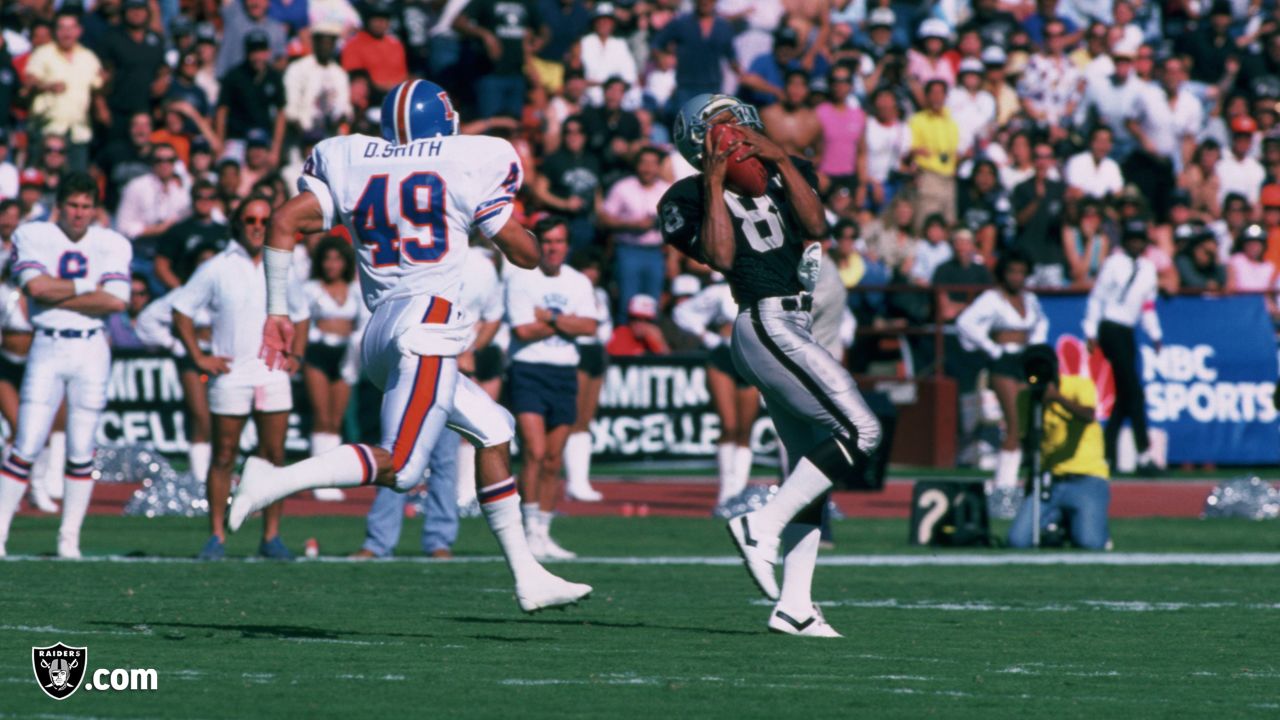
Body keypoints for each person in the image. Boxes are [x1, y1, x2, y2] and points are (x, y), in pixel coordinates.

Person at [225, 80, 592, 613]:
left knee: (495, 430)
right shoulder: (467, 162)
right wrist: (530, 234)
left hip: (380, 330)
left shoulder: (352, 158)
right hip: (428, 322)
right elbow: (525, 255)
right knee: (403, 467)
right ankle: (274, 479)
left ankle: (528, 575)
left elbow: (282, 222)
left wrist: (277, 313)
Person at [660, 94, 882, 637]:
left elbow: (818, 226)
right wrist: (714, 180)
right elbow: (720, 256)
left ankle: (796, 605)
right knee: (863, 429)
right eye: (718, 130)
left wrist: (780, 158)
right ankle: (763, 522)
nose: (731, 135)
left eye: (735, 125)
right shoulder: (684, 197)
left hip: (795, 324)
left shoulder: (787, 169)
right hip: (762, 323)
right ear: (698, 146)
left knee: (813, 467)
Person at [0, 173, 132, 558]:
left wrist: (57, 292)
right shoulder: (33, 234)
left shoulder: (112, 242)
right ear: (60, 205)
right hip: (47, 344)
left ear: (95, 208)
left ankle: (68, 539)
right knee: (25, 443)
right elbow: (34, 289)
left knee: (81, 447)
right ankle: (1, 532)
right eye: (73, 205)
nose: (79, 213)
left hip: (92, 348)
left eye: (86, 206)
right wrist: (85, 287)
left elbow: (117, 302)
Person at [171, 195, 310, 560]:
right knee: (224, 455)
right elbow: (182, 309)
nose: (256, 226)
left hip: (272, 374)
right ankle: (217, 534)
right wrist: (199, 356)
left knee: (274, 456)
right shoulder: (217, 267)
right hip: (231, 375)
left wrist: (296, 354)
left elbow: (302, 313)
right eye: (249, 219)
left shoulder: (281, 266)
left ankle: (272, 536)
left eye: (264, 220)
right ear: (238, 223)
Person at [505, 216, 599, 559]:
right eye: (547, 242)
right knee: (534, 450)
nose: (553, 248)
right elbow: (523, 331)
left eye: (559, 242)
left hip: (564, 372)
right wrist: (566, 325)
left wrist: (551, 318)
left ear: (567, 245)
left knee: (553, 458)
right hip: (528, 369)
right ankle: (527, 530)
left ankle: (544, 532)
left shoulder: (578, 282)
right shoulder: (520, 280)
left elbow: (589, 325)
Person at [956, 250, 1048, 517]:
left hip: (1025, 362)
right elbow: (965, 323)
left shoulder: (1029, 299)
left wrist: (1035, 345)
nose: (1017, 277)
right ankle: (1003, 492)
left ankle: (1008, 487)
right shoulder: (992, 299)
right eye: (1012, 272)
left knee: (1024, 427)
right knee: (1013, 423)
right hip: (1004, 363)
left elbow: (1041, 323)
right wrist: (991, 347)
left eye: (1021, 272)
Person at [1007, 344, 1111, 550]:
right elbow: (1029, 443)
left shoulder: (1078, 386)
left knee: (1090, 543)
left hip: (1087, 478)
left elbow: (1089, 416)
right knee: (1017, 541)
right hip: (1049, 480)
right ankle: (1058, 519)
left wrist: (1058, 399)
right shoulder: (1026, 399)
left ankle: (1076, 522)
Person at [135, 243, 220, 485]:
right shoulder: (184, 294)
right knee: (200, 415)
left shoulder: (228, 292)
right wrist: (175, 345)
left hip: (223, 359)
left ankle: (218, 472)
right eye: (202, 262)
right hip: (193, 360)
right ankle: (199, 476)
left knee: (222, 417)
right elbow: (146, 321)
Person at [1084, 219, 1163, 473]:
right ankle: (1143, 455)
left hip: (1128, 329)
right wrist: (1090, 330)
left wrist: (1155, 333)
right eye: (1132, 239)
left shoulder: (1148, 269)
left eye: (1140, 240)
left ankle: (1108, 455)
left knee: (1124, 395)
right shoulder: (1113, 263)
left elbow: (1147, 305)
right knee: (1134, 392)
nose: (1136, 244)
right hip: (1110, 327)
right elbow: (1098, 297)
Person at [674, 274, 758, 509]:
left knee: (745, 429)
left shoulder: (762, 288)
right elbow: (682, 312)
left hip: (751, 359)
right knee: (729, 425)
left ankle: (739, 492)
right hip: (723, 358)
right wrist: (706, 336)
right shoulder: (720, 291)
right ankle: (725, 493)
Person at [302, 236, 362, 503]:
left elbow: (363, 323)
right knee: (322, 416)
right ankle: (317, 478)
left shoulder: (356, 289)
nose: (331, 265)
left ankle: (332, 476)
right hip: (318, 353)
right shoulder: (311, 288)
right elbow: (301, 322)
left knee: (336, 419)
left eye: (337, 259)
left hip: (346, 354)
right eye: (327, 259)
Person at [563, 247, 612, 503]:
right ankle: (573, 481)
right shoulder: (572, 289)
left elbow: (606, 325)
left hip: (596, 351)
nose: (591, 273)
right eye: (587, 268)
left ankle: (581, 479)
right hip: (579, 349)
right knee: (574, 415)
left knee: (586, 418)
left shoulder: (601, 294)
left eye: (595, 269)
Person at [606, 294, 670, 355]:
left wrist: (659, 343)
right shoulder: (620, 334)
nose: (639, 324)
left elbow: (668, 363)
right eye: (635, 319)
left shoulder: (656, 337)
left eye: (646, 320)